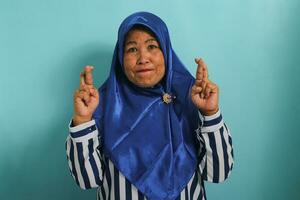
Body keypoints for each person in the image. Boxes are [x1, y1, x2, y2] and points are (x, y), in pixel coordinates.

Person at [66, 12, 234, 200]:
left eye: (152, 46)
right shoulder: (102, 104)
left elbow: (219, 173)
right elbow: (86, 180)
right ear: (120, 57)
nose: (143, 58)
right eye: (131, 49)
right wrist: (82, 120)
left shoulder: (191, 95)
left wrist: (210, 113)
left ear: (166, 52)